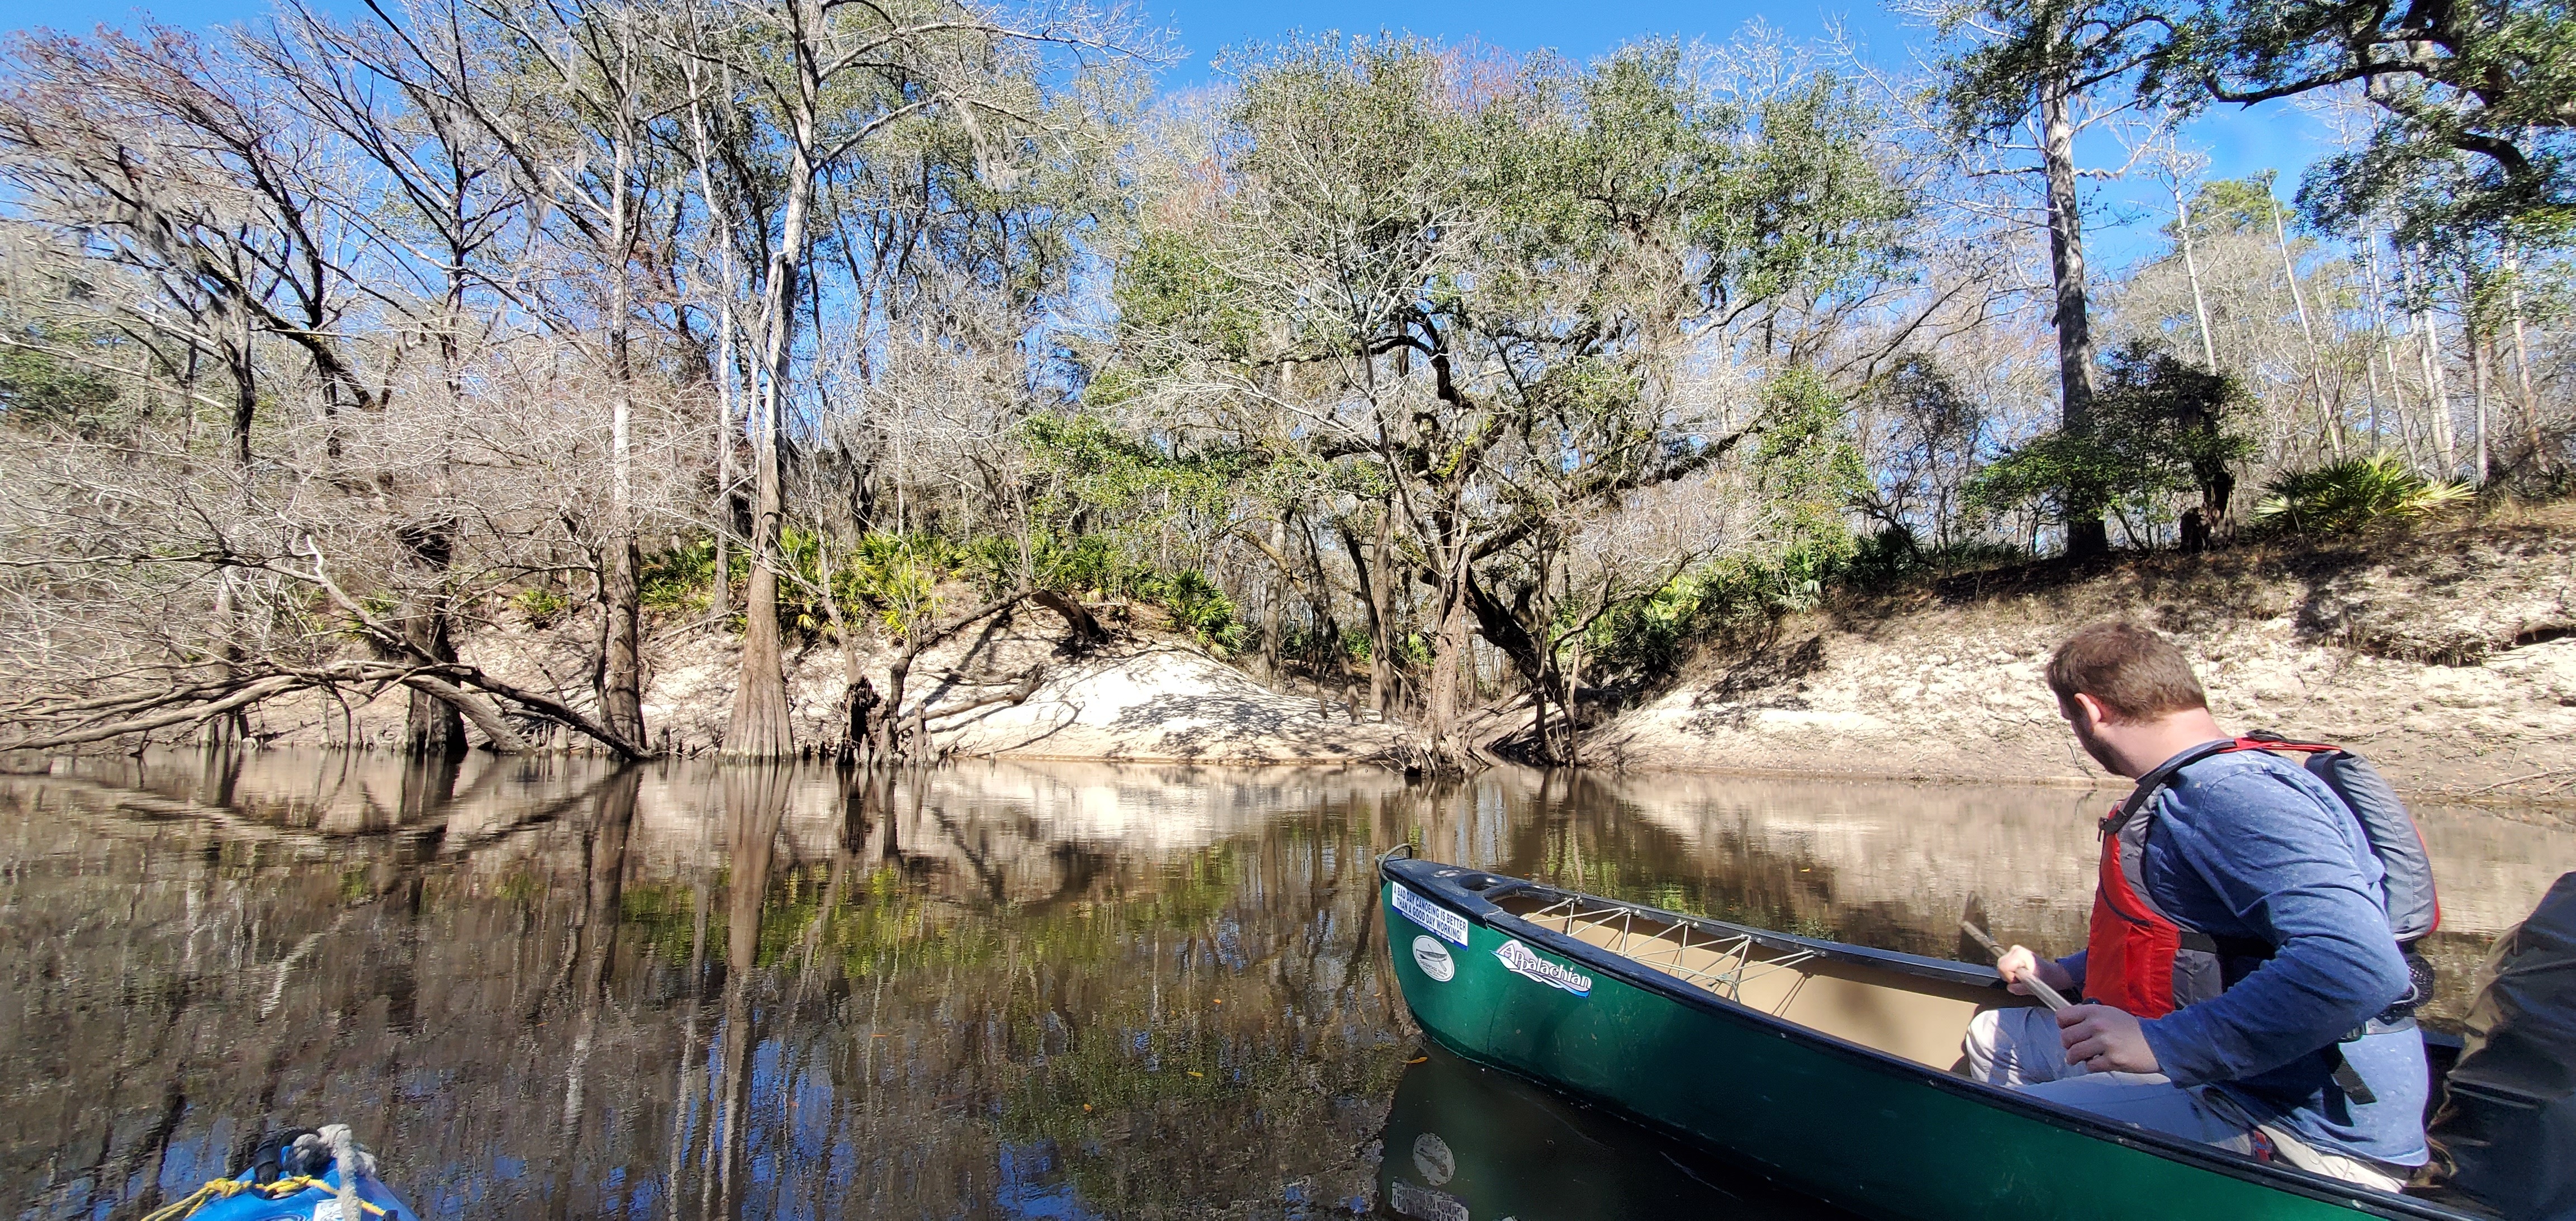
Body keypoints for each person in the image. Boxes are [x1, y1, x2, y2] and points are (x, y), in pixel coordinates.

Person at [1966, 620, 2428, 1190]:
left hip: (2302, 1131)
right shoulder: (2208, 783)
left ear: (2090, 711)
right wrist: (2066, 972)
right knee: (1998, 1037)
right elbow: (2198, 937)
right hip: (2244, 1079)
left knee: (1994, 1130)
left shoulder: (2228, 795)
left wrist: (2161, 1042)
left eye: (2071, 722)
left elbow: (2358, 965)